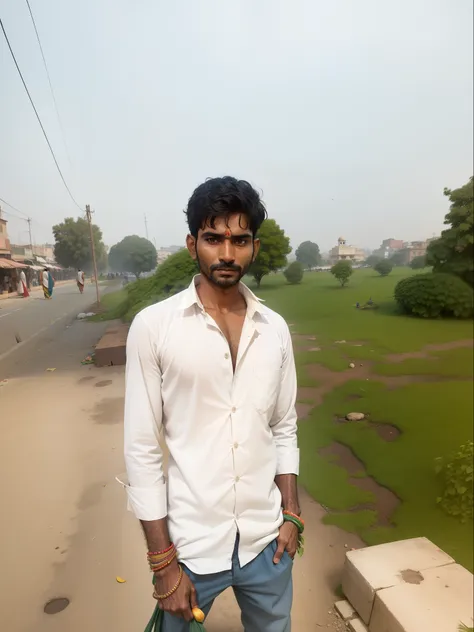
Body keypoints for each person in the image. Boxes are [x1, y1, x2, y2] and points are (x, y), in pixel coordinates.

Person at [121, 176, 301, 631]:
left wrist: (292, 515)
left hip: (267, 542)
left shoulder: (274, 329)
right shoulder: (155, 327)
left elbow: (283, 425)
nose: (226, 253)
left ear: (254, 247)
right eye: (213, 238)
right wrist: (163, 565)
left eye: (239, 240)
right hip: (192, 547)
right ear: (191, 243)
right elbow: (142, 449)